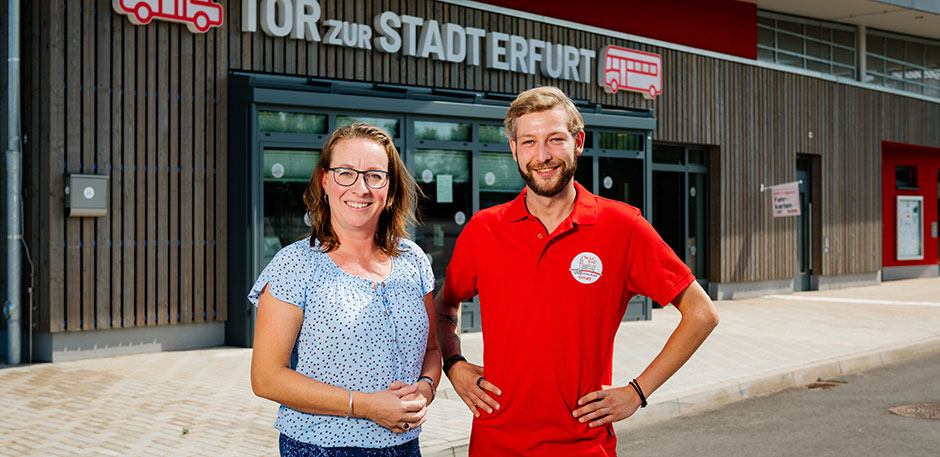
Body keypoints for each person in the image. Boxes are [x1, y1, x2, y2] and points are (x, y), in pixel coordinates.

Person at [435, 87, 719, 456]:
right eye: (529, 142)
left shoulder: (622, 226)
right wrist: (453, 363)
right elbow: (445, 303)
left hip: (584, 446)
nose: (543, 156)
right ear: (513, 149)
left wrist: (638, 392)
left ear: (578, 141)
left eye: (555, 139)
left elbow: (702, 314)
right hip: (495, 443)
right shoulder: (484, 229)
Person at [250, 123, 442, 457]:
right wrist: (367, 406)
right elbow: (266, 378)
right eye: (346, 173)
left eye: (374, 175)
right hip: (321, 447)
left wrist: (425, 389)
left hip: (405, 445)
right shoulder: (295, 265)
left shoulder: (413, 261)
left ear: (390, 187)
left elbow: (431, 350)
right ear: (325, 181)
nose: (361, 188)